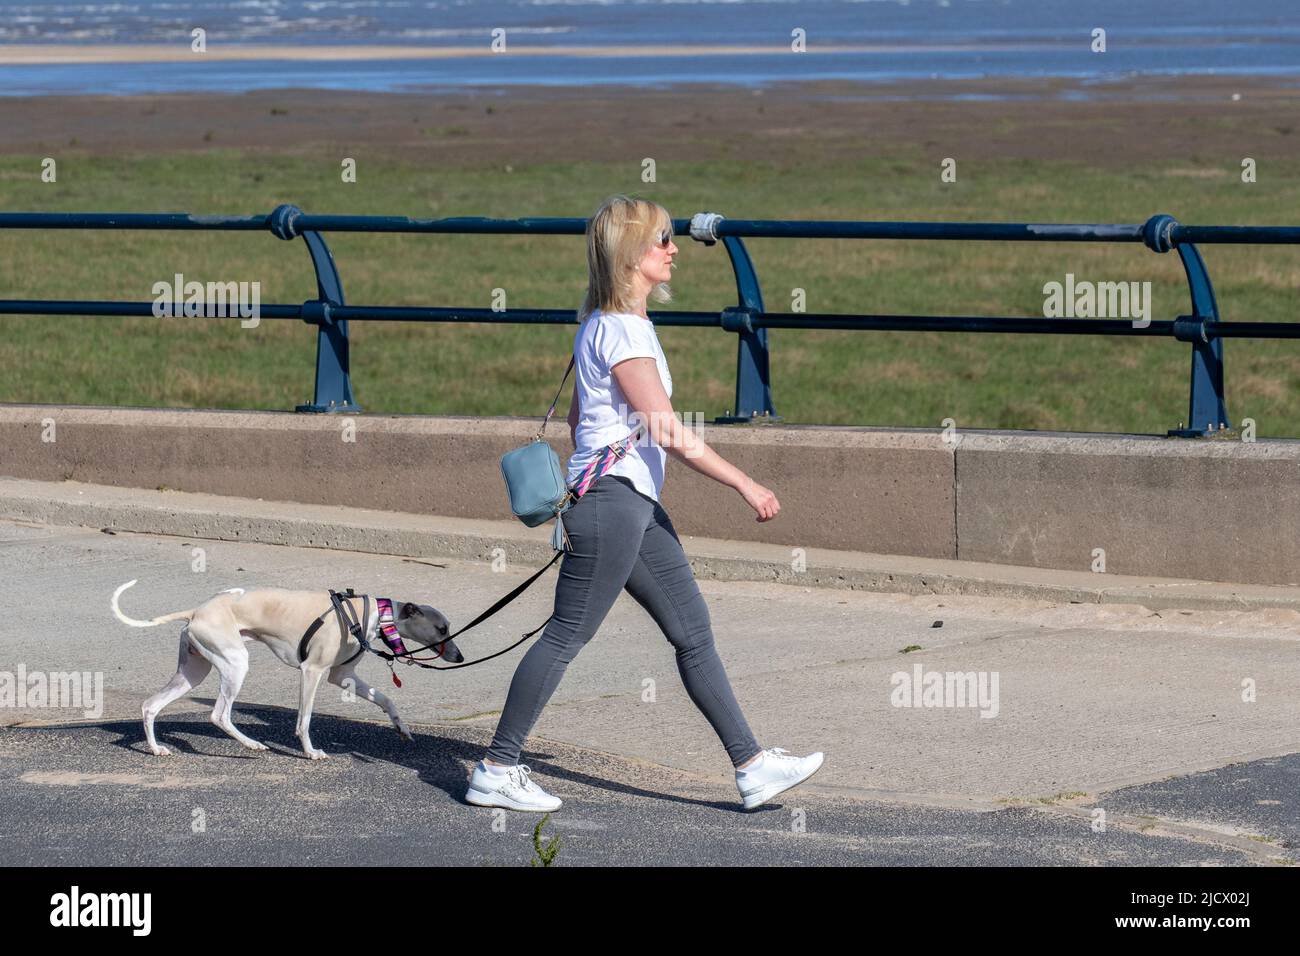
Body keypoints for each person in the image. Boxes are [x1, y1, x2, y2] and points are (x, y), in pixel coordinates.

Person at [465, 194, 823, 812]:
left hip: (625, 502)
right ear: (632, 255)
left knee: (692, 633)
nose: (675, 248)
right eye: (662, 240)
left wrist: (615, 474)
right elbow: (663, 427)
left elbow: (583, 422)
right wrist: (744, 482)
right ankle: (497, 767)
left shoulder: (602, 325)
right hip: (612, 505)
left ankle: (753, 766)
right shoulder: (624, 330)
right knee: (567, 634)